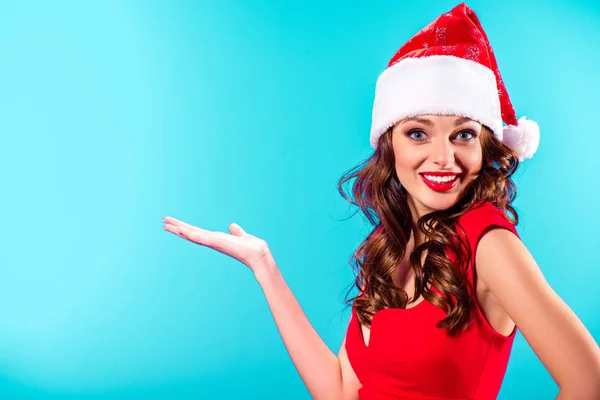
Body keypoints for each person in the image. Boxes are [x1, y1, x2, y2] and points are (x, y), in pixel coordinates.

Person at [162, 3, 600, 399]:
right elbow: (338, 390)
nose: (444, 158)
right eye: (418, 133)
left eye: (464, 134)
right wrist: (265, 268)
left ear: (485, 146)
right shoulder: (392, 244)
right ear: (389, 144)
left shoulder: (489, 244)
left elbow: (589, 380)